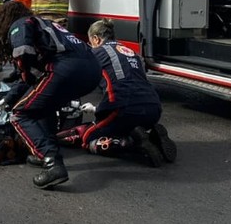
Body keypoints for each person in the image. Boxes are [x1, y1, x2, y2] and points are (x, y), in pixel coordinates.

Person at [0, 0, 99, 189]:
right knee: (43, 106)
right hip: (91, 70)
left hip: (66, 69)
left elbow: (23, 54)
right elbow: (32, 78)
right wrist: (9, 97)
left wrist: (23, 75)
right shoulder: (47, 24)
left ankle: (52, 162)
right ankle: (46, 151)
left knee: (20, 114)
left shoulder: (20, 24)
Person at [58, 19, 177, 167]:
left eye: (90, 42)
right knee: (120, 125)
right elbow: (129, 83)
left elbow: (76, 77)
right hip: (153, 109)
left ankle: (130, 143)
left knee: (87, 138)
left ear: (96, 39)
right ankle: (150, 137)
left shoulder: (96, 52)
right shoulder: (133, 53)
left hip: (124, 109)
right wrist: (96, 109)